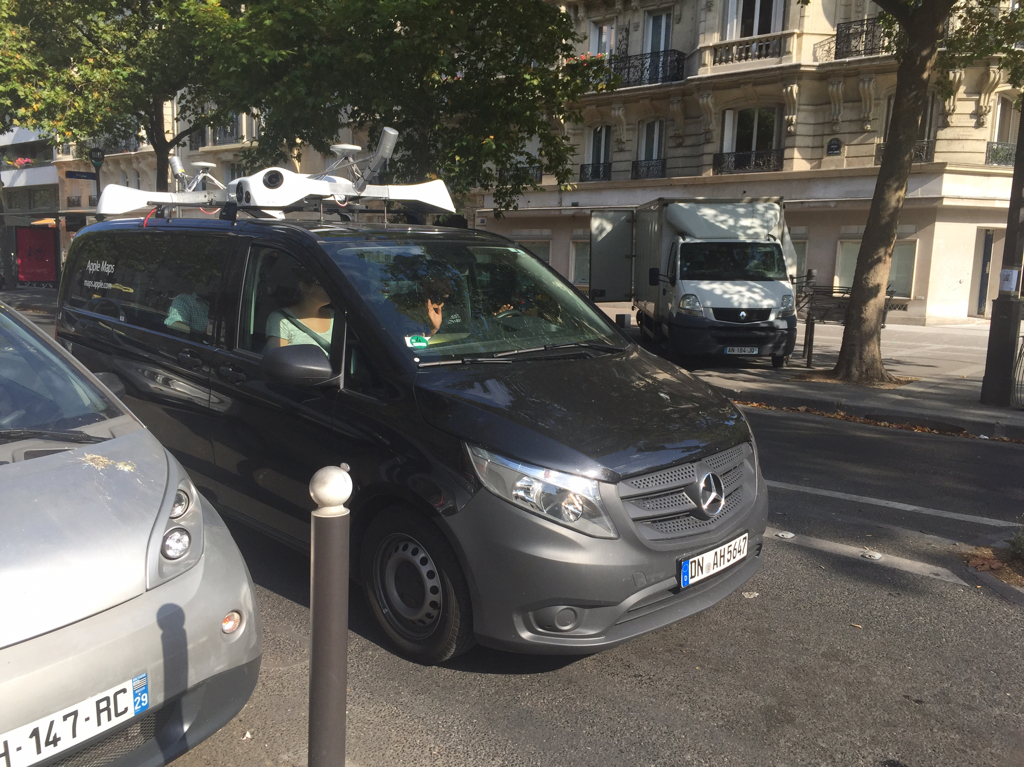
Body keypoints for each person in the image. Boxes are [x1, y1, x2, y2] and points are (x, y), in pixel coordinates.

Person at [265, 273, 333, 350]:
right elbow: (277, 359)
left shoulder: (335, 316)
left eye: (331, 283)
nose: (329, 287)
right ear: (303, 287)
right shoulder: (281, 320)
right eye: (321, 283)